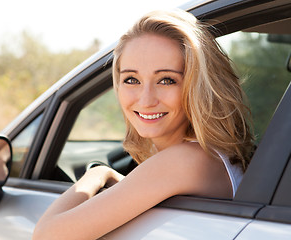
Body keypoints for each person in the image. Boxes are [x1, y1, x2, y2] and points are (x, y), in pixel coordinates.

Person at [33, 9, 254, 240]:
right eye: (132, 79)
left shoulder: (185, 160)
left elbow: (46, 236)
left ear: (197, 86)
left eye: (166, 80)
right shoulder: (210, 157)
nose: (146, 99)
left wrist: (98, 173)